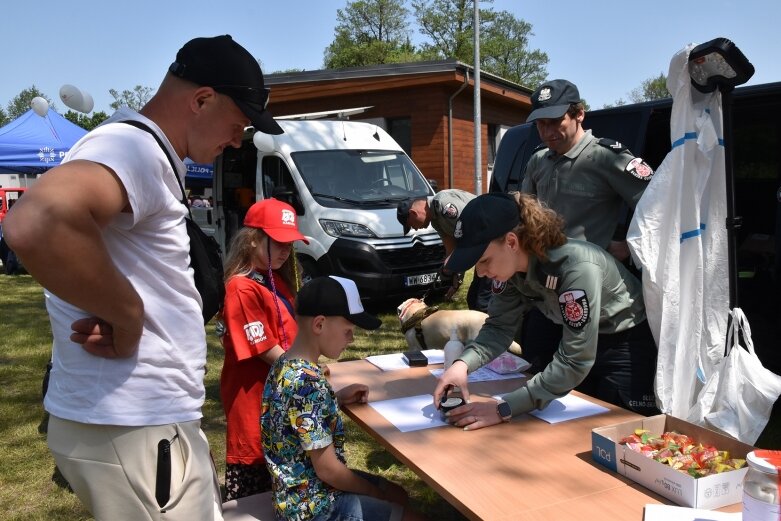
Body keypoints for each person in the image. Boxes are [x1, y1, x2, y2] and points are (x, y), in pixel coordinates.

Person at [2, 34, 283, 520]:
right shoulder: (132, 146)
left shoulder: (139, 149)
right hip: (131, 422)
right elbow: (36, 221)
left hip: (143, 425)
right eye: (237, 125)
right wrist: (127, 314)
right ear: (201, 99)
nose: (237, 141)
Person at [432, 192, 659, 431]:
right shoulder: (510, 272)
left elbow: (574, 360)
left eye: (484, 261)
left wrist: (503, 408)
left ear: (511, 242)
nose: (480, 274)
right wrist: (462, 365)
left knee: (623, 436)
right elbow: (499, 327)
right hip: (580, 343)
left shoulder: (576, 268)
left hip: (625, 348)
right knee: (572, 435)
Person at [261, 276, 425, 521]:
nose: (352, 339)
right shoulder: (307, 383)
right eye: (348, 331)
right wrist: (373, 494)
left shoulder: (286, 364)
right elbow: (328, 470)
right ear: (319, 325)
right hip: (314, 508)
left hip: (296, 496)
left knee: (397, 493)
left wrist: (334, 399)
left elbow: (297, 419)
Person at [520, 79, 655, 371]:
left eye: (556, 121)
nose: (547, 131)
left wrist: (631, 248)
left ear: (579, 113)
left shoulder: (605, 157)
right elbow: (524, 217)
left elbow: (660, 207)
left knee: (600, 400)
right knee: (539, 388)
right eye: (541, 124)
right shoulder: (538, 162)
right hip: (548, 299)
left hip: (597, 298)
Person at [220, 197, 308, 501]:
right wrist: (307, 375)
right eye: (278, 242)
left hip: (281, 402)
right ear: (253, 240)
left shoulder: (276, 281)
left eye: (290, 243)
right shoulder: (241, 288)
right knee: (254, 498)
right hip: (255, 405)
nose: (286, 250)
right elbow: (264, 348)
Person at [397, 189, 491, 311]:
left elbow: (477, 229)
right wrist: (455, 279)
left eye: (412, 225)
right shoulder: (436, 221)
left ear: (413, 213)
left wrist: (452, 268)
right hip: (484, 255)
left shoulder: (444, 204)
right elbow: (452, 251)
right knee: (473, 299)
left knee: (483, 302)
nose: (415, 229)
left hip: (493, 249)